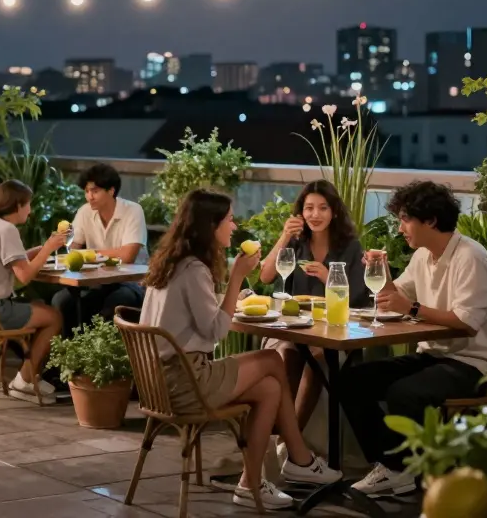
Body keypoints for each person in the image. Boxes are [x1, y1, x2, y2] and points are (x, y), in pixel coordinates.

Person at [140, 189, 341, 510]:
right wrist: (236, 280)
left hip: (159, 382)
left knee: (269, 387)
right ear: (211, 226)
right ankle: (299, 459)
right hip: (185, 381)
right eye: (230, 220)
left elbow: (196, 317)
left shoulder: (172, 263)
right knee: (272, 359)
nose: (234, 227)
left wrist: (227, 298)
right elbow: (217, 331)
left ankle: (253, 482)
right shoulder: (194, 270)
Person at [339, 181, 487, 498]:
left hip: (474, 364)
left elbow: (467, 323)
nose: (401, 228)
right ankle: (393, 466)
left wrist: (412, 308)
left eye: (405, 219)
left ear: (429, 220)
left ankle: (399, 470)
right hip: (434, 356)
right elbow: (392, 296)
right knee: (351, 380)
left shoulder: (470, 257)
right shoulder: (423, 257)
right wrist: (380, 269)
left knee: (406, 393)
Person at [257, 179, 367, 430]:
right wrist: (284, 236)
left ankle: (289, 441)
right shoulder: (297, 243)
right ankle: (280, 437)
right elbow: (265, 276)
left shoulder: (350, 247)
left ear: (334, 211)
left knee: (317, 357)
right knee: (288, 353)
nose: (315, 215)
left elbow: (359, 299)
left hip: (336, 332)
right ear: (301, 212)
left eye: (323, 208)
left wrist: (330, 278)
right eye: (309, 208)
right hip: (297, 329)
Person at [0, 180, 66, 401]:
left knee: (36, 306)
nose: (30, 209)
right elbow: (25, 276)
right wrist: (48, 249)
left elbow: (11, 260)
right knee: (54, 317)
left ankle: (0, 370)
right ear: (17, 205)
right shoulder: (7, 230)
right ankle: (24, 381)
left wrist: (42, 248)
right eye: (28, 204)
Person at [51, 163, 148, 337]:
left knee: (116, 302)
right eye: (86, 191)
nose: (89, 197)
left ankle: (107, 361)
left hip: (132, 282)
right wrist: (67, 245)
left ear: (111, 191)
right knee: (62, 301)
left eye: (95, 191)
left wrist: (89, 254)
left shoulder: (133, 211)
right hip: (97, 282)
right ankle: (71, 360)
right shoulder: (84, 212)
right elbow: (71, 250)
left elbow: (127, 256)